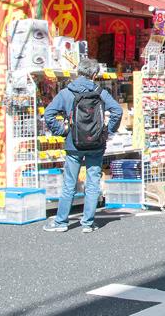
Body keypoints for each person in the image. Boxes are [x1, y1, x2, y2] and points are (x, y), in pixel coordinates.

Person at [43, 58, 122, 233]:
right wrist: (107, 130)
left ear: (78, 72)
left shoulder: (66, 92)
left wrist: (62, 131)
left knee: (69, 183)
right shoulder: (100, 92)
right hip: (96, 144)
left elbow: (49, 115)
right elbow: (117, 110)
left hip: (74, 144)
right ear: (94, 74)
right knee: (93, 181)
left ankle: (61, 222)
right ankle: (87, 223)